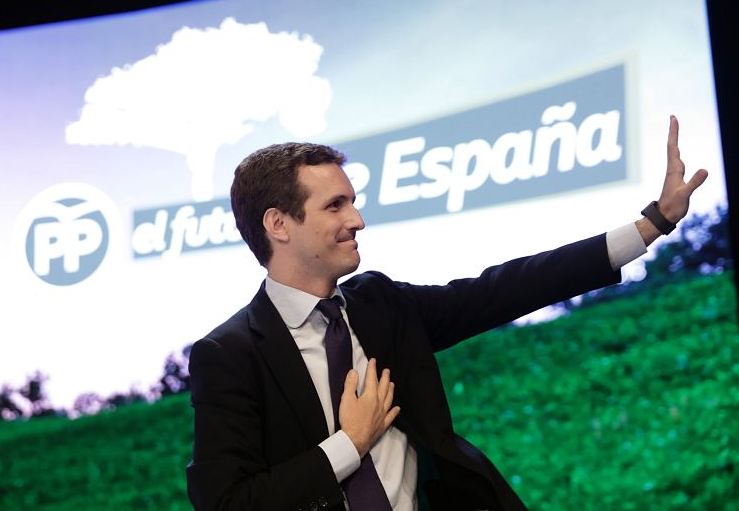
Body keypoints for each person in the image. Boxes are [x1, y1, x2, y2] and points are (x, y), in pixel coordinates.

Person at [186, 116, 707, 510]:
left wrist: (651, 225)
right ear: (279, 224)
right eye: (335, 206)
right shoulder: (228, 355)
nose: (358, 220)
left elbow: (504, 289)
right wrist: (350, 444)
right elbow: (229, 503)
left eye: (353, 201)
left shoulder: (382, 305)